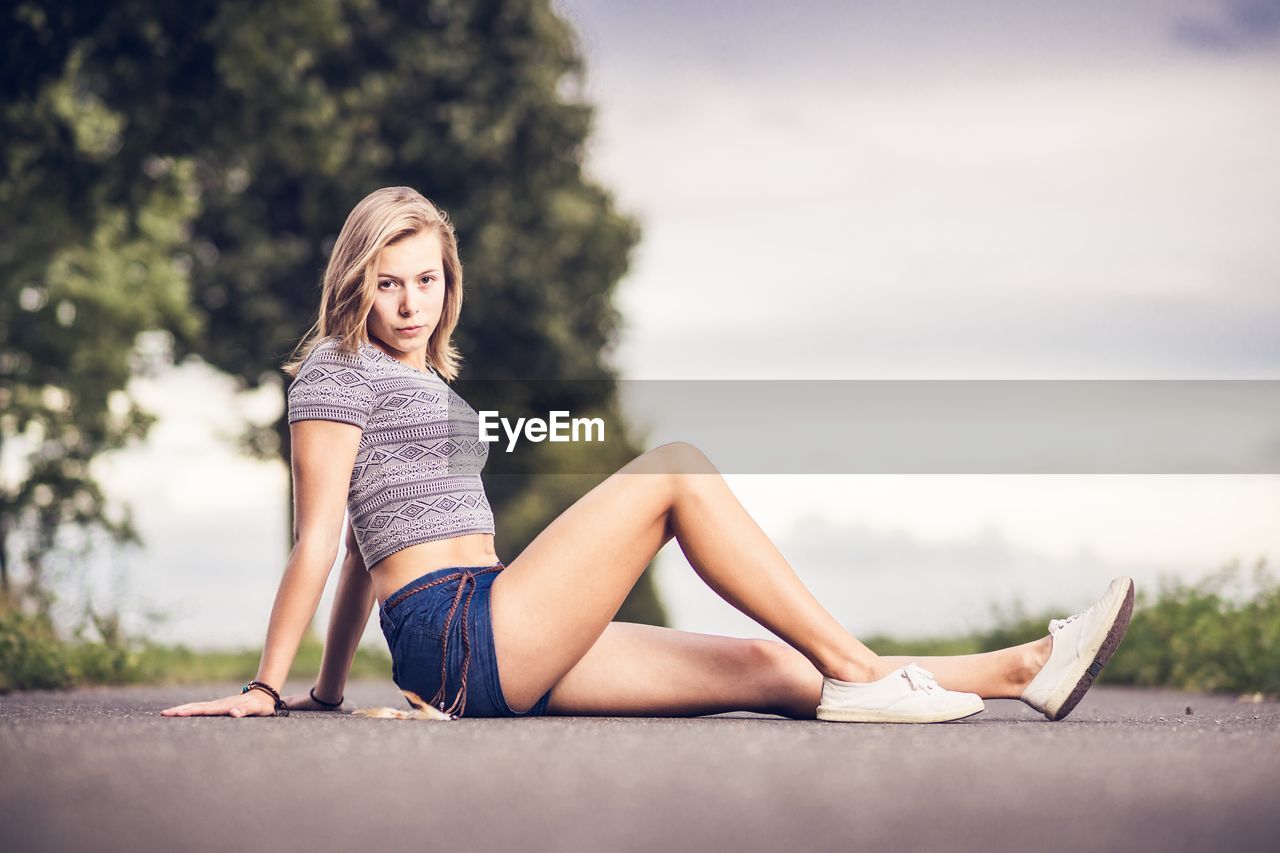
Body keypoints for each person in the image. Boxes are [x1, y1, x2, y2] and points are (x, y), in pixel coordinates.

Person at [161, 186, 1135, 724]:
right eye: (388, 281)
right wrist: (265, 685)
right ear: (356, 284)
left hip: (481, 634)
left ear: (446, 284)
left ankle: (1022, 668)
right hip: (460, 627)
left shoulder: (439, 391)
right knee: (672, 467)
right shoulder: (333, 373)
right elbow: (324, 535)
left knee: (763, 664)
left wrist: (331, 691)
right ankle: (857, 668)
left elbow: (367, 556)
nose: (410, 300)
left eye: (427, 278)